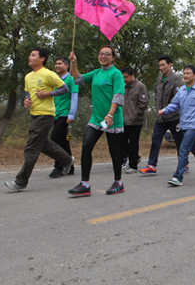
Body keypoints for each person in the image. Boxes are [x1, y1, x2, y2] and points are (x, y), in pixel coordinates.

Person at [5, 48, 75, 192]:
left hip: (46, 115)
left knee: (31, 148)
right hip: (34, 114)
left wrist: (48, 94)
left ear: (42, 58)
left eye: (33, 55)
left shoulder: (48, 74)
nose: (30, 57)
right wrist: (26, 100)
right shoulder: (28, 76)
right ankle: (67, 160)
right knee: (43, 144)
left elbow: (65, 89)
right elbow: (27, 92)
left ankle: (20, 182)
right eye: (30, 55)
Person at [66, 46, 125, 197]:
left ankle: (118, 182)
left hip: (111, 120)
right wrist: (74, 63)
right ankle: (85, 184)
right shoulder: (96, 73)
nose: (103, 56)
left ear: (112, 57)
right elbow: (78, 79)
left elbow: (118, 96)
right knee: (86, 147)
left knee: (114, 152)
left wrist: (110, 115)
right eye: (101, 54)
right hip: (97, 120)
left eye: (107, 54)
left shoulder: (116, 74)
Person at [140, 55, 184, 176]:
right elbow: (156, 96)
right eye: (159, 65)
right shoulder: (159, 80)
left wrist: (167, 109)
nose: (161, 67)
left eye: (163, 65)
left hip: (174, 117)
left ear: (170, 64)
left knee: (179, 142)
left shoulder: (176, 79)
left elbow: (177, 98)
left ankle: (184, 164)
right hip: (161, 118)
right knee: (155, 139)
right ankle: (152, 166)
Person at [49, 57, 78, 178]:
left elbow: (74, 96)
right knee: (63, 141)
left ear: (67, 65)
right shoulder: (55, 80)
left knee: (54, 138)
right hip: (55, 113)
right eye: (56, 64)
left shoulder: (71, 79)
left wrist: (72, 114)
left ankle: (59, 166)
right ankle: (70, 167)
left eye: (60, 64)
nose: (57, 66)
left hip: (65, 114)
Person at [120, 66, 149, 174]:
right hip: (123, 120)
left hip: (135, 121)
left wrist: (136, 113)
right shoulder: (122, 86)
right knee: (121, 141)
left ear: (132, 75)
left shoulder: (140, 86)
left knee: (133, 143)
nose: (124, 79)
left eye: (126, 77)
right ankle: (135, 157)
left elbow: (144, 102)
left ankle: (133, 165)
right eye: (123, 77)